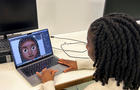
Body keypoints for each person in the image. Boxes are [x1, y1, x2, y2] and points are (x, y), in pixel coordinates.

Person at [36, 13, 140, 90]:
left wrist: (48, 83)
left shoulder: (95, 88)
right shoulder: (133, 70)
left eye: (88, 42)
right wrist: (79, 64)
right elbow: (112, 61)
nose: (86, 46)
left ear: (101, 52)